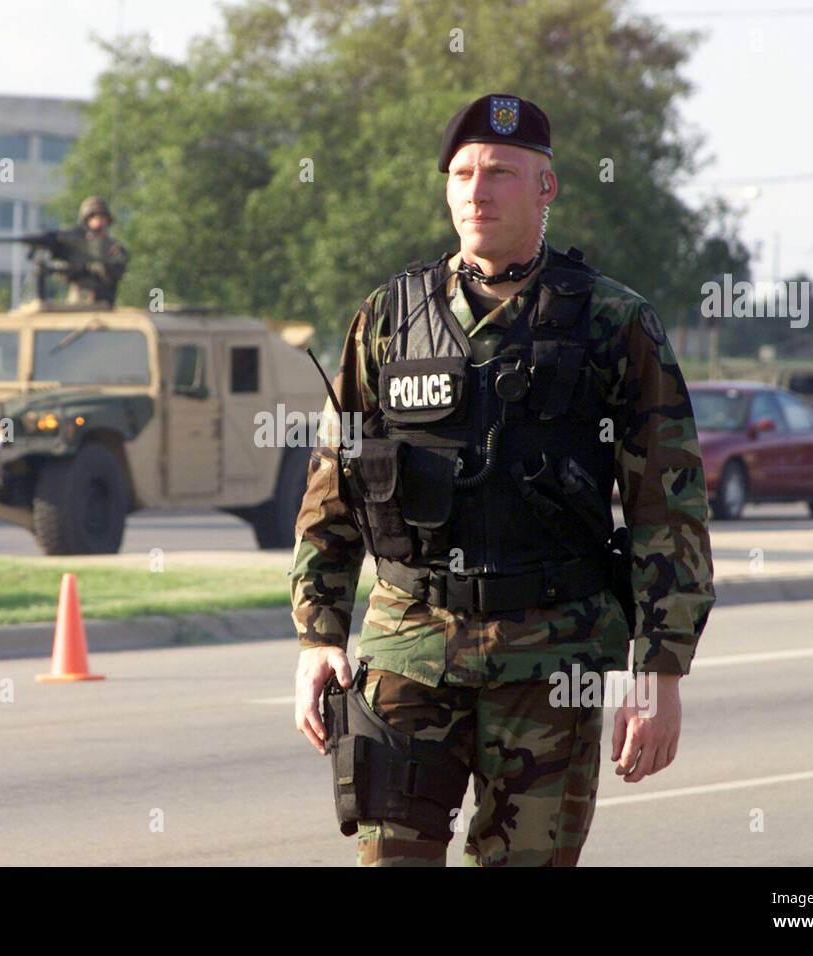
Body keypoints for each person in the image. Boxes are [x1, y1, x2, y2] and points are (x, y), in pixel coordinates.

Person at [290, 93, 716, 866]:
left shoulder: (613, 324)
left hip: (551, 662)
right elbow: (335, 483)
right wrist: (318, 633)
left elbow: (668, 505)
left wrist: (659, 669)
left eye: (500, 173)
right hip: (408, 648)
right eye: (461, 173)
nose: (476, 190)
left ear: (545, 188)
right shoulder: (389, 317)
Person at [63, 196, 129, 306]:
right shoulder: (76, 247)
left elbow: (119, 271)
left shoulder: (114, 248)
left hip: (105, 304)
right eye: (93, 216)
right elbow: (64, 274)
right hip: (77, 305)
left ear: (107, 219)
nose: (98, 220)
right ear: (86, 220)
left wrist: (101, 264)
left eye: (102, 216)